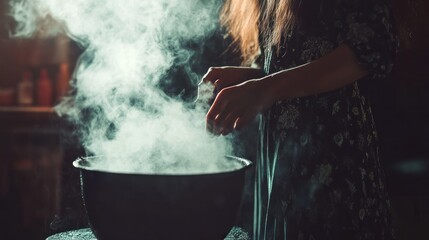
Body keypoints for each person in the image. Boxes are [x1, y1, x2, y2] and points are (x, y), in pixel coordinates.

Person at [202, 0, 397, 239]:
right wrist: (249, 80)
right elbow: (288, 60)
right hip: (280, 160)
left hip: (332, 154)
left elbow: (373, 47)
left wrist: (266, 88)